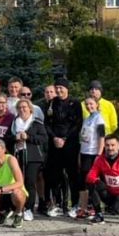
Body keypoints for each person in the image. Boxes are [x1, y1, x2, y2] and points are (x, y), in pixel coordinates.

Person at [43, 78, 82, 217]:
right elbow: (47, 123)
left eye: (61, 88)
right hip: (55, 144)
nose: (59, 91)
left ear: (67, 89)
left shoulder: (75, 103)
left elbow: (77, 124)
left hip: (70, 144)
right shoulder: (52, 103)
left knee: (72, 176)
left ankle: (75, 204)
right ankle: (59, 204)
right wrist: (54, 138)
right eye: (57, 88)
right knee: (56, 176)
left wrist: (65, 139)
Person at [12, 99, 48, 222]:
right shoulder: (14, 123)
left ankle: (29, 209)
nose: (22, 109)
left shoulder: (36, 123)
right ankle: (19, 207)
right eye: (20, 107)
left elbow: (43, 138)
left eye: (24, 107)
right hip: (18, 156)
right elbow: (7, 138)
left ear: (30, 109)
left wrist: (28, 137)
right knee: (18, 182)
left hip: (33, 158)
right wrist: (14, 138)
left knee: (29, 182)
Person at [74, 96, 106, 219]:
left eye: (91, 104)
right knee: (82, 181)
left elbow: (102, 137)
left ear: (97, 105)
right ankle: (83, 207)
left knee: (91, 181)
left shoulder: (99, 118)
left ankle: (95, 207)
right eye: (87, 104)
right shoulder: (87, 119)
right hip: (84, 153)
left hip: (93, 154)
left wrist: (99, 154)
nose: (89, 106)